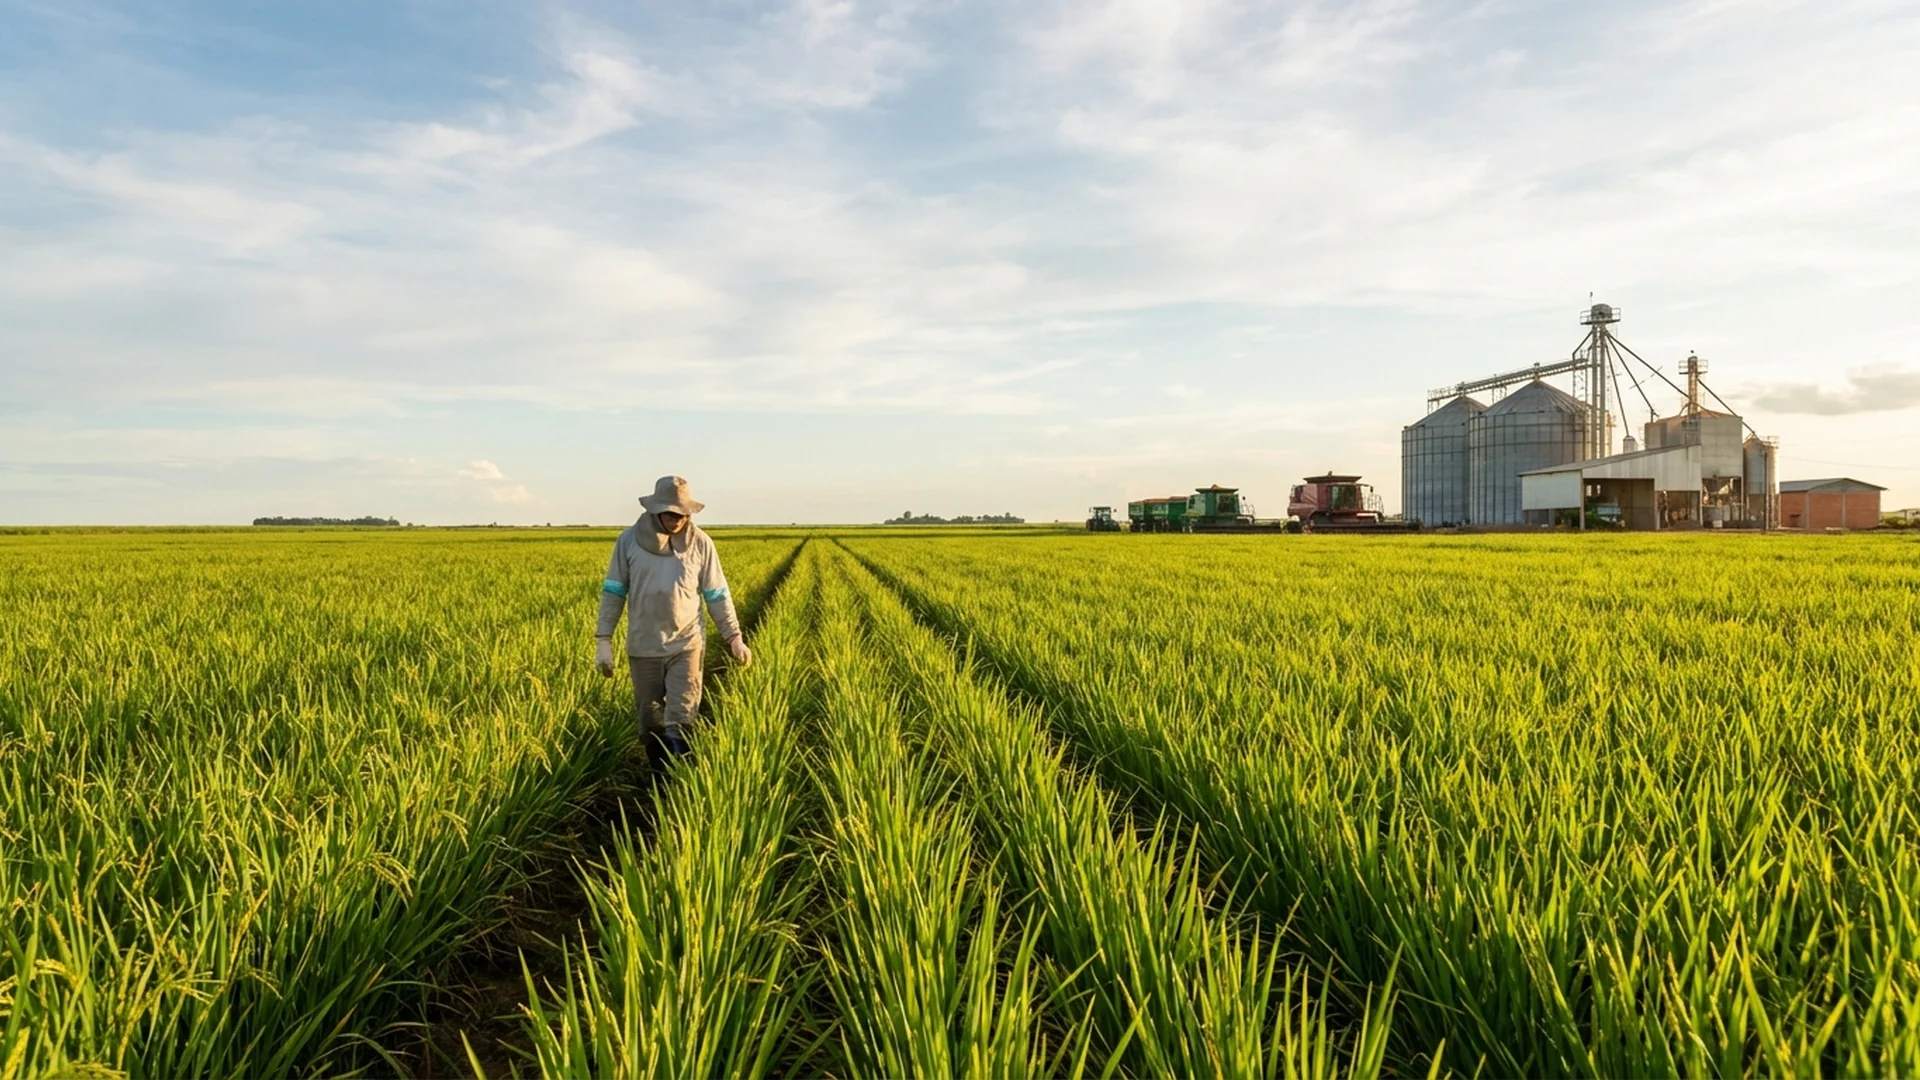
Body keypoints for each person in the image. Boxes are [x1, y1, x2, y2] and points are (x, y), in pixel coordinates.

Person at [594, 475, 751, 768]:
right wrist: (604, 639)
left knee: (682, 715)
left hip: (687, 643)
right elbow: (614, 590)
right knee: (650, 719)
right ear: (655, 510)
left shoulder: (701, 543)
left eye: (682, 513)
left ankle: (680, 779)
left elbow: (716, 593)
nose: (676, 519)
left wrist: (734, 636)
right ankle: (659, 777)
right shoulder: (629, 541)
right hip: (644, 646)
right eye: (670, 513)